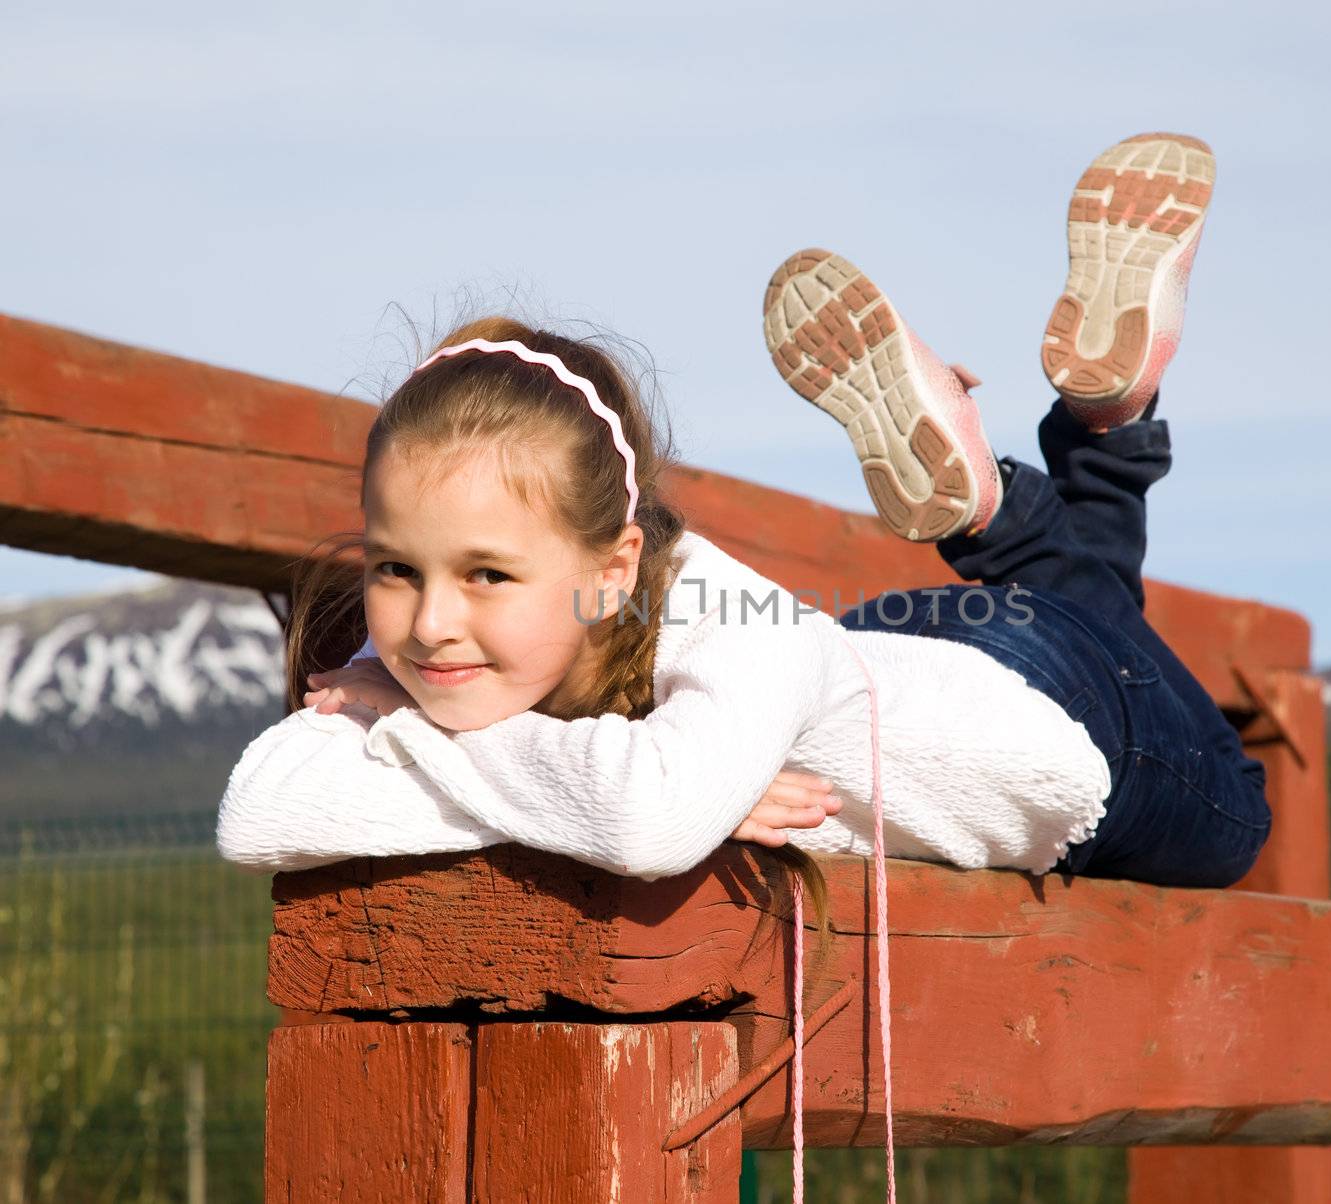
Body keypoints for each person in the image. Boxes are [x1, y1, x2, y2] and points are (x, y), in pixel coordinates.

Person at [216, 130, 1267, 895]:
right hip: (912, 655)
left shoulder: (723, 624)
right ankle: (1071, 458)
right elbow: (260, 807)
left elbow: (643, 815)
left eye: (486, 574)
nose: (430, 620)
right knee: (1088, 594)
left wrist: (415, 737)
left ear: (616, 561)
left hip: (1077, 731)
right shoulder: (584, 658)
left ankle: (1060, 472)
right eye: (397, 569)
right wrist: (626, 790)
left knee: (1235, 821)